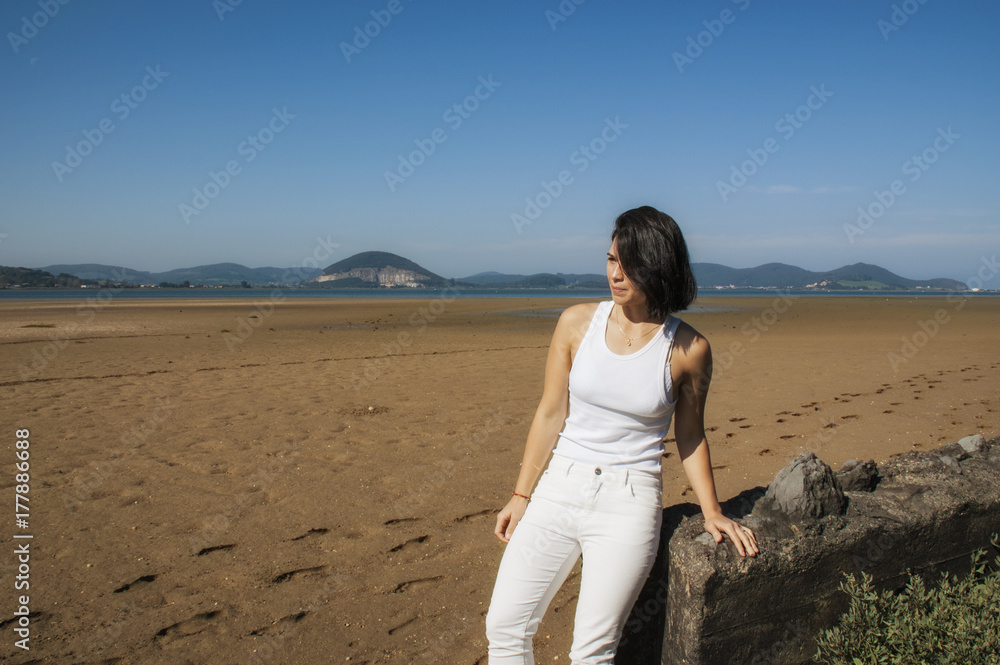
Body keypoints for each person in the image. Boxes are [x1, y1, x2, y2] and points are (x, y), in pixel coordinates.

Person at [485, 206, 759, 664]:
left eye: (629, 263)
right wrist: (521, 494)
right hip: (559, 488)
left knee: (592, 651)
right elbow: (551, 412)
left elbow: (690, 435)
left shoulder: (689, 349)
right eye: (611, 259)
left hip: (628, 504)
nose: (616, 273)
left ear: (658, 266)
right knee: (505, 626)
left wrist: (713, 511)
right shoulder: (576, 323)